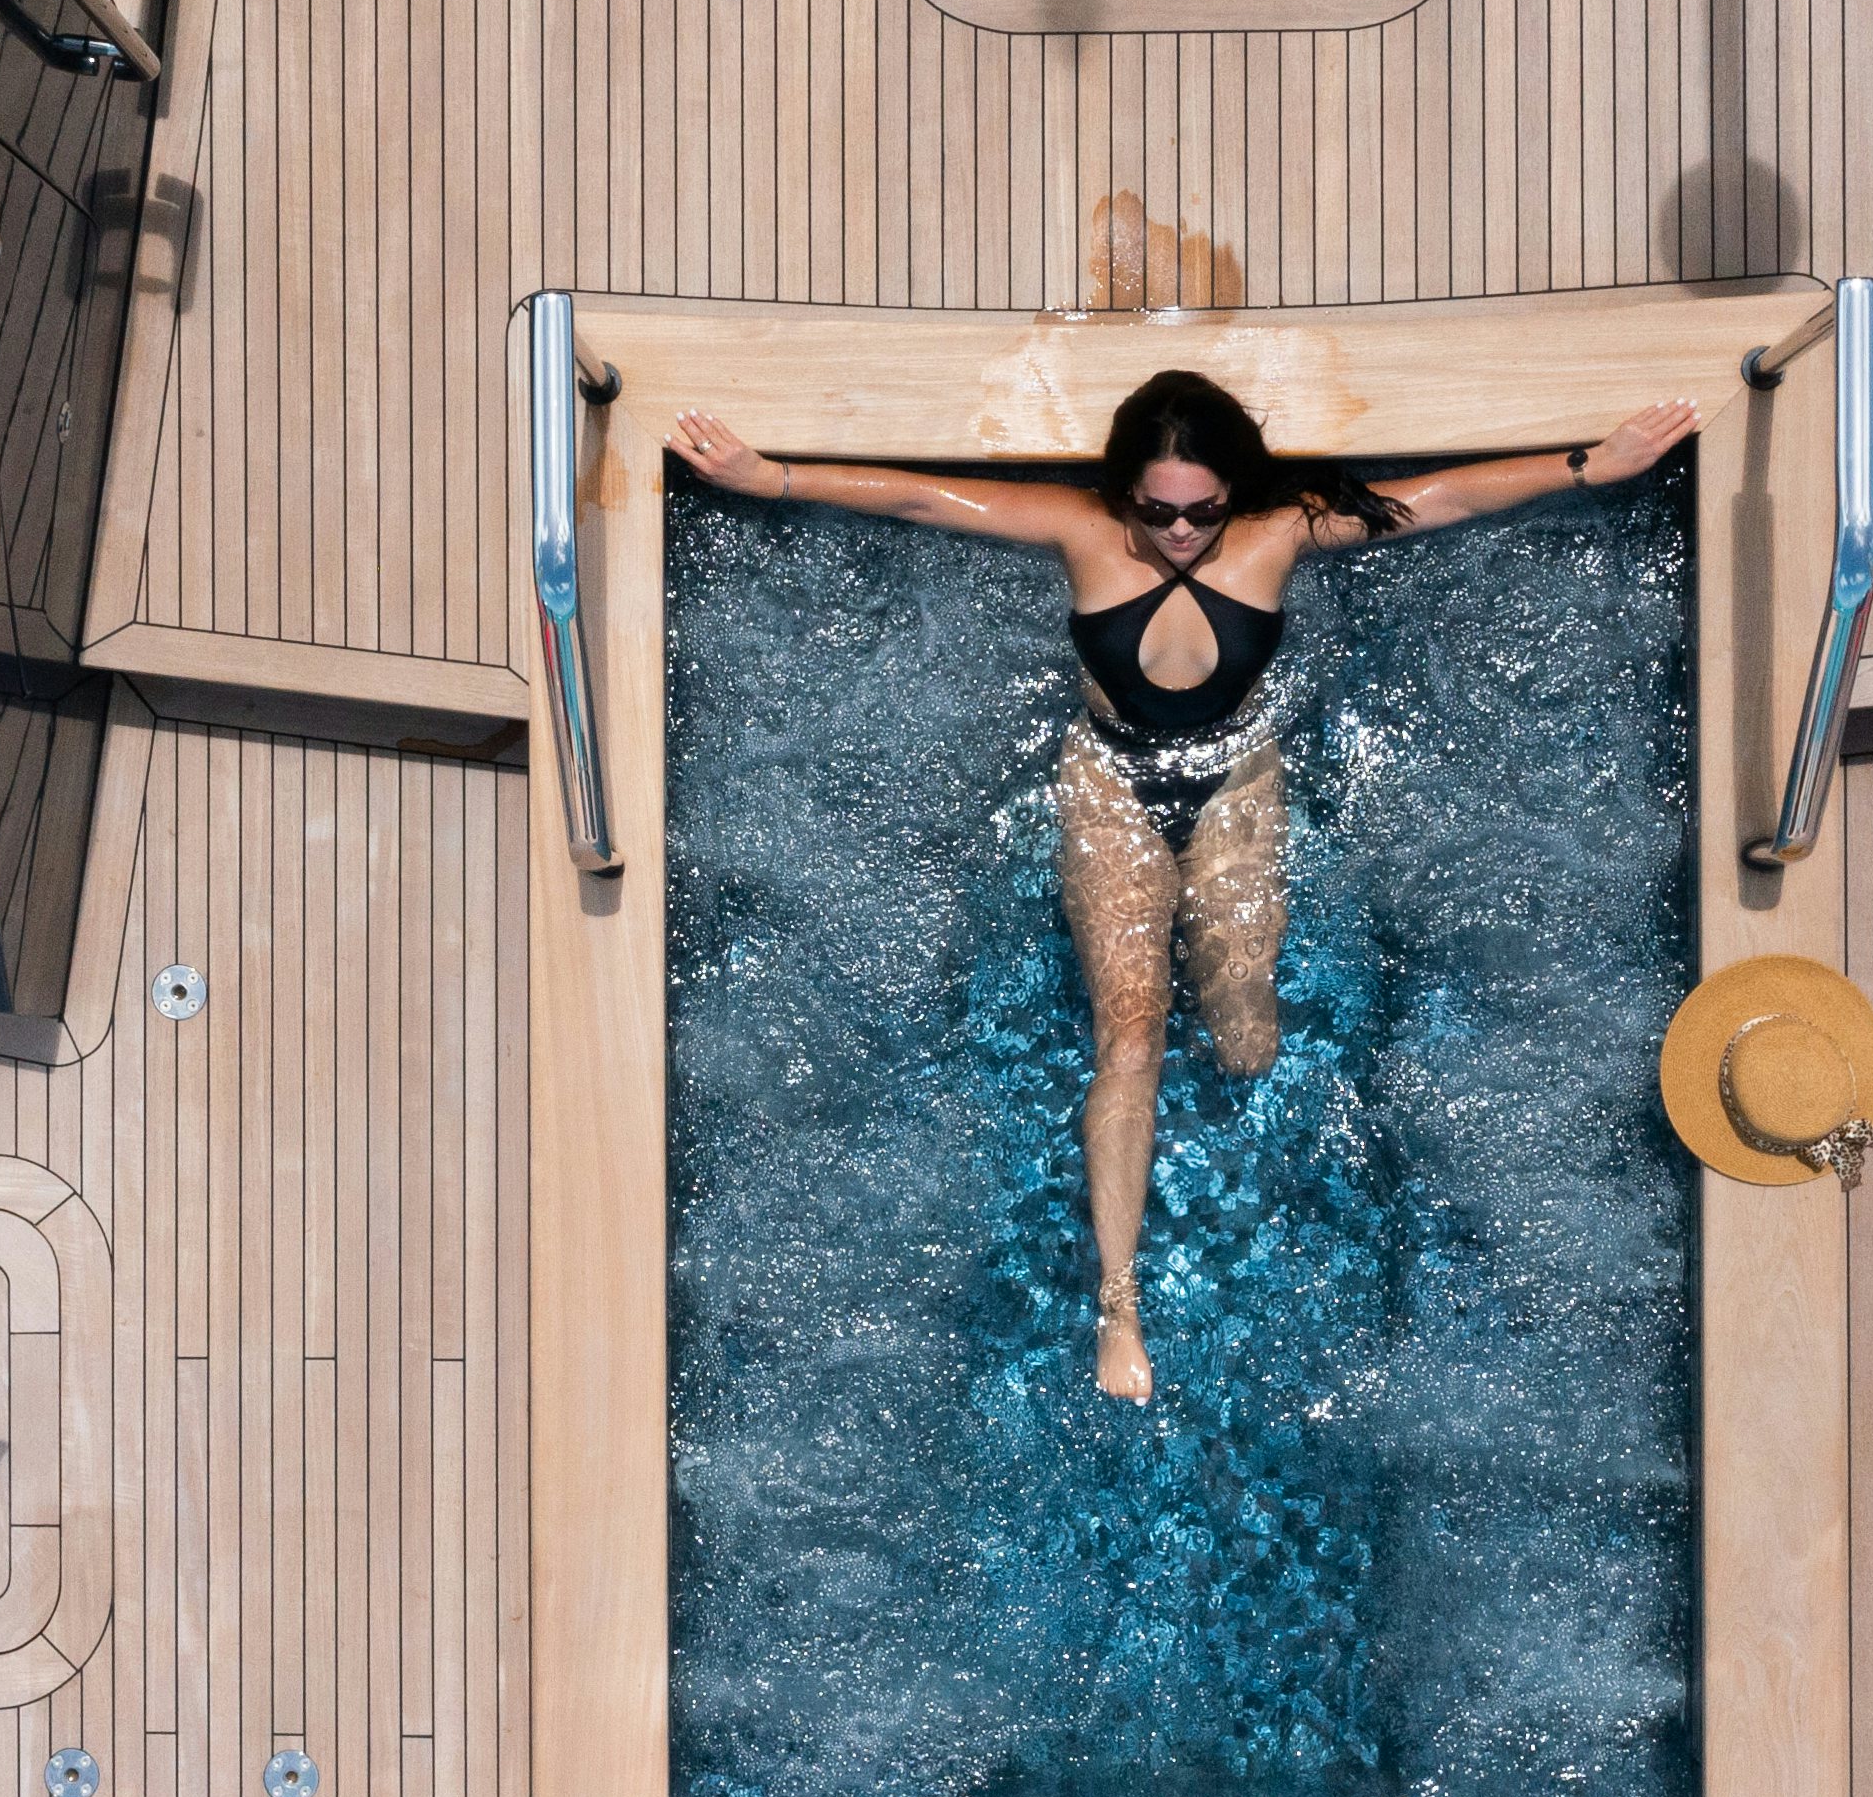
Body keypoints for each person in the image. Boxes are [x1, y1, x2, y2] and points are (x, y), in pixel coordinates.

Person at [666, 368, 1700, 1400]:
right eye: (1155, 511)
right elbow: (922, 497)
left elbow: (1439, 498)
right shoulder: (1084, 534)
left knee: (1249, 1044)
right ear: (1125, 496)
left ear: (1231, 494)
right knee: (1130, 1038)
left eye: (1201, 509)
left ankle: (1222, 1162)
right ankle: (1119, 1311)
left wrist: (1589, 467)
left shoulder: (1272, 536)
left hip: (1236, 779)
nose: (1179, 531)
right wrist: (773, 475)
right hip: (1111, 781)